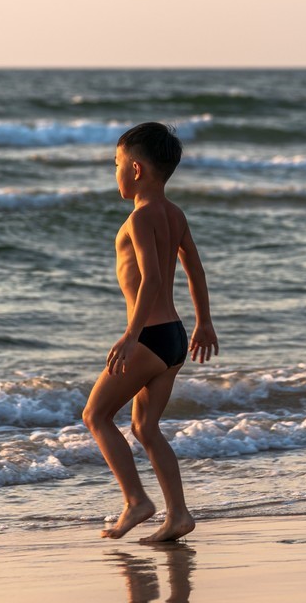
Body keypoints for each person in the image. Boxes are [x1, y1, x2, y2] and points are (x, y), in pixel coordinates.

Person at [82, 121, 219, 542]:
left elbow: (153, 281)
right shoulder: (175, 214)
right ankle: (178, 515)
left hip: (149, 336)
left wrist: (130, 335)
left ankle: (136, 501)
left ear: (136, 170)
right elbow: (194, 269)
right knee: (145, 427)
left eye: (117, 163)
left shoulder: (140, 219)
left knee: (96, 415)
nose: (116, 172)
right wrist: (204, 322)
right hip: (174, 335)